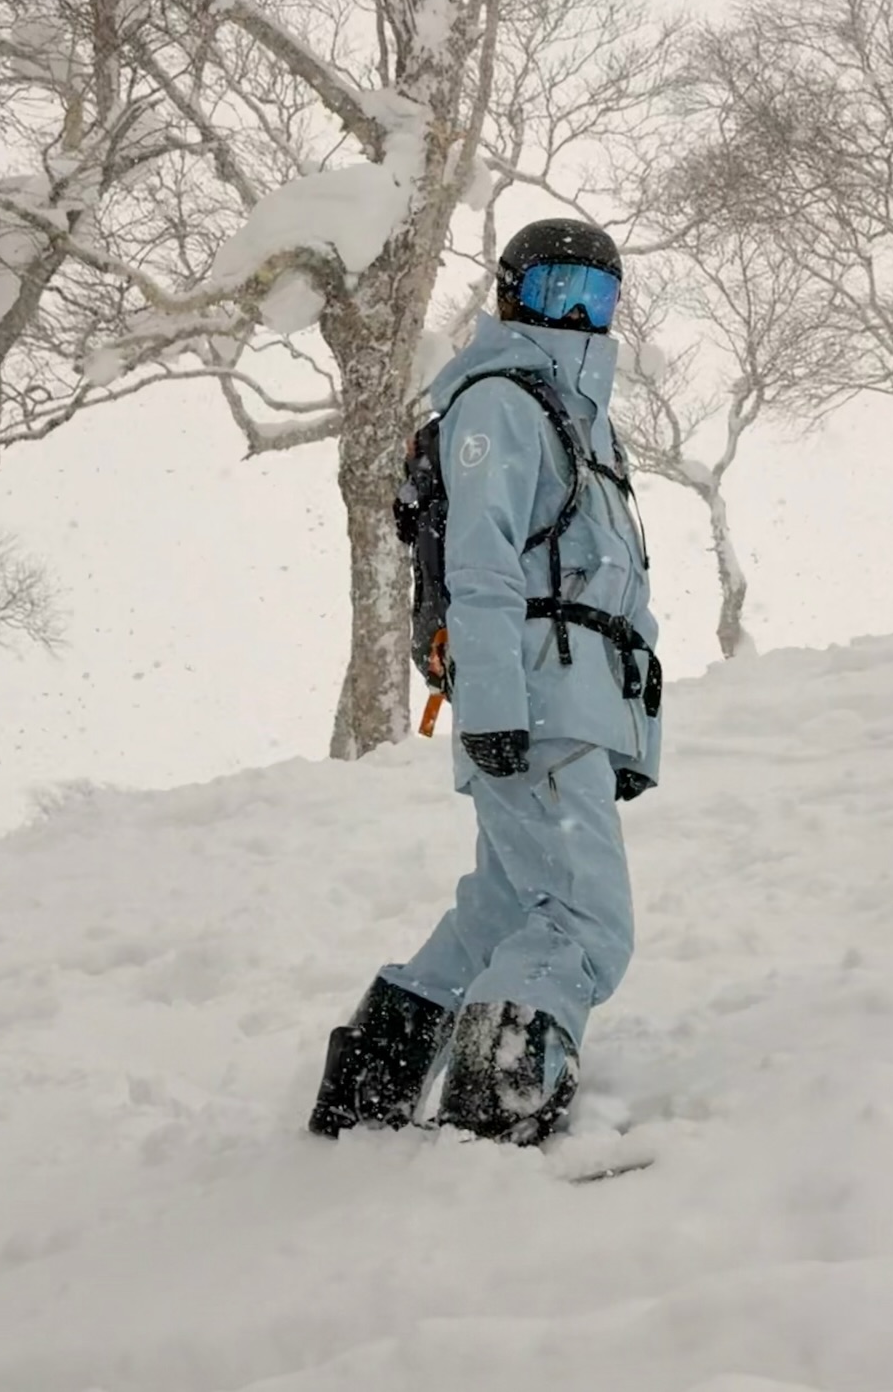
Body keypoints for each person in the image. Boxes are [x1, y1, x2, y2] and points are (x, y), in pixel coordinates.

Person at [308, 217, 662, 1147]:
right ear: (511, 297)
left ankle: (374, 1083)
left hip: (574, 705)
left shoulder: (585, 426)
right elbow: (484, 568)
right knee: (587, 923)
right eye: (558, 294)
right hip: (537, 702)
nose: (579, 315)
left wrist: (633, 739)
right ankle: (496, 1106)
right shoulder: (502, 403)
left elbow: (623, 591)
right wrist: (498, 711)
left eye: (599, 298)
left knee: (505, 908)